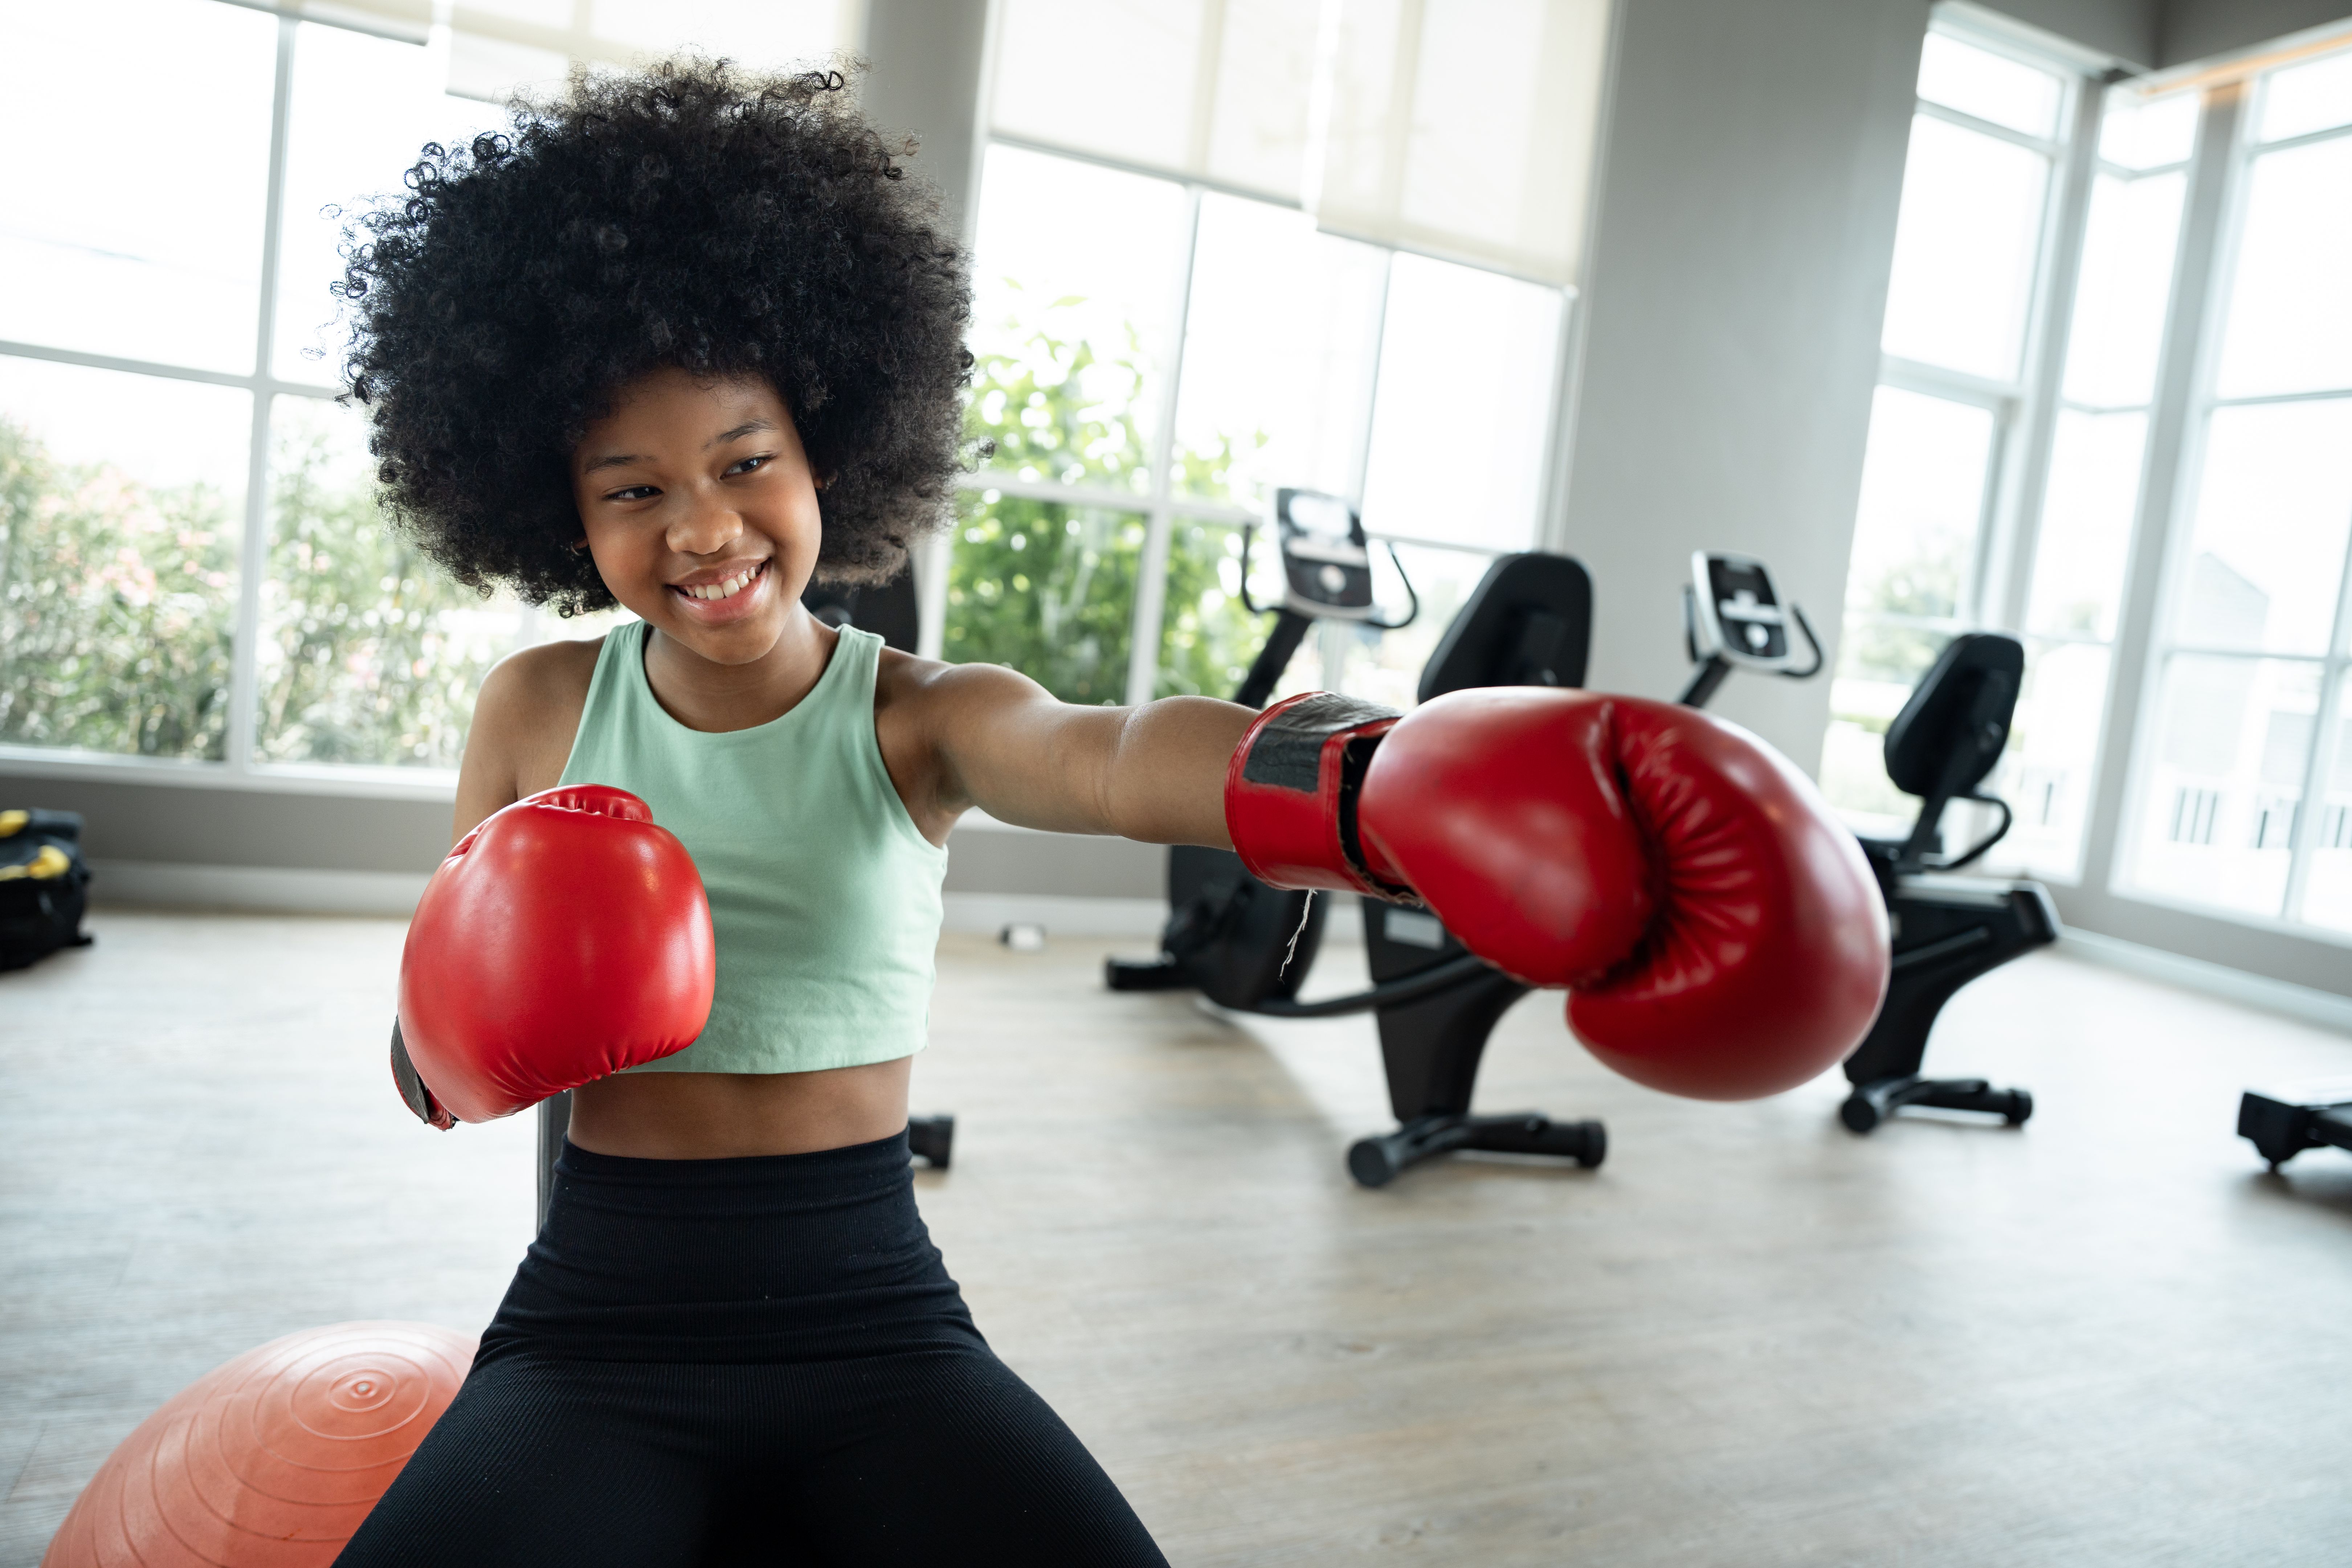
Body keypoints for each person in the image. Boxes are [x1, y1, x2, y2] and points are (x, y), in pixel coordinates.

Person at [334, 58, 1886, 1568]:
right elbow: (426, 1071)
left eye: (748, 462)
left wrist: (1378, 787)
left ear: (829, 454)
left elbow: (1110, 751)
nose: (703, 526)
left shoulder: (919, 717)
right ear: (560, 510)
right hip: (601, 1323)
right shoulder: (538, 710)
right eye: (632, 490)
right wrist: (463, 1037)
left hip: (873, 1318)